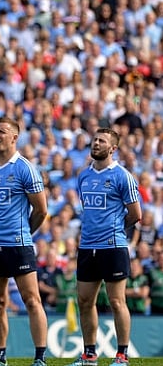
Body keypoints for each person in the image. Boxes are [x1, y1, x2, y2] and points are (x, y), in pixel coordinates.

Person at [66, 128, 142, 366]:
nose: (96, 143)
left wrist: (115, 228)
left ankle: (122, 355)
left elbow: (135, 214)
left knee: (117, 301)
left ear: (113, 148)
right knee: (85, 301)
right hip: (87, 247)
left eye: (102, 141)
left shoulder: (122, 176)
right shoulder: (83, 176)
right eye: (95, 140)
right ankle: (89, 354)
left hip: (113, 247)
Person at [0, 117, 48, 366]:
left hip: (18, 245)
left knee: (32, 300)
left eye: (2, 132)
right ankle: (0, 357)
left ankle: (39, 357)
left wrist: (24, 234)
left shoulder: (25, 168)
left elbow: (40, 210)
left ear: (14, 137)